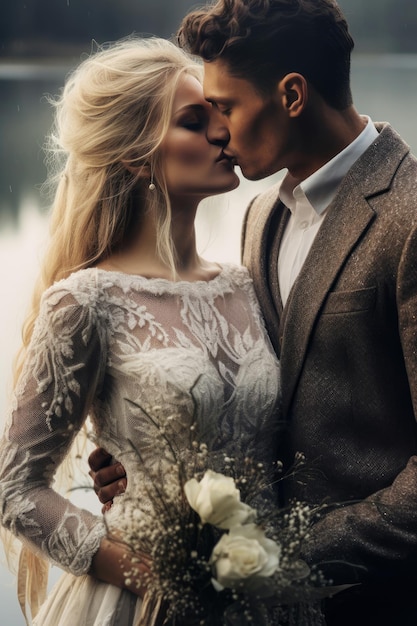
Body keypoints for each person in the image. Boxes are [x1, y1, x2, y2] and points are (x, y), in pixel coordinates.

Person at [91, 1, 417, 624]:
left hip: (378, 603)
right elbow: (263, 396)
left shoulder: (410, 216)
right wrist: (151, 467)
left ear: (292, 94)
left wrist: (283, 554)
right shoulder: (261, 215)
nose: (218, 131)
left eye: (227, 107)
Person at [0, 36, 282, 625]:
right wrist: (150, 573)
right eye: (193, 121)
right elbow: (17, 487)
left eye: (219, 114)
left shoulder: (245, 282)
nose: (221, 134)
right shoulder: (85, 300)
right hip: (143, 606)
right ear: (135, 155)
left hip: (266, 593)